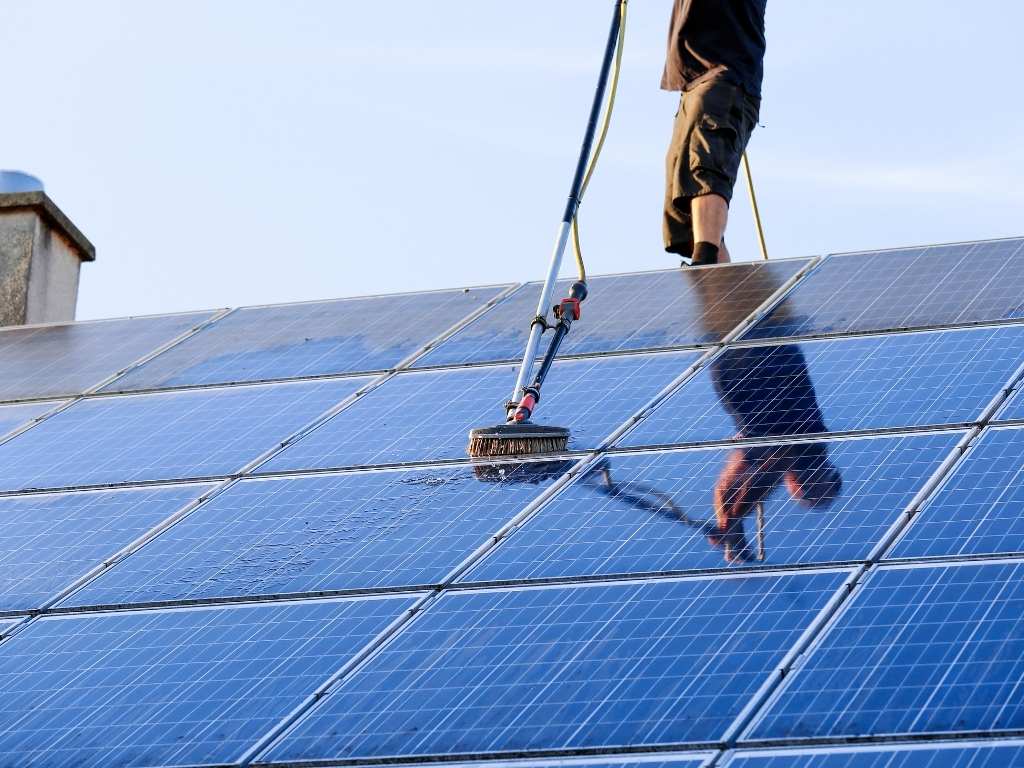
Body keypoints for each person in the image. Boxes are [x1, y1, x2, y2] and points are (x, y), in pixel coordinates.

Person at [662, 0, 767, 266]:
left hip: (724, 78)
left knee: (705, 168)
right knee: (683, 191)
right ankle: (722, 290)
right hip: (694, 83)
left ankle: (705, 261)